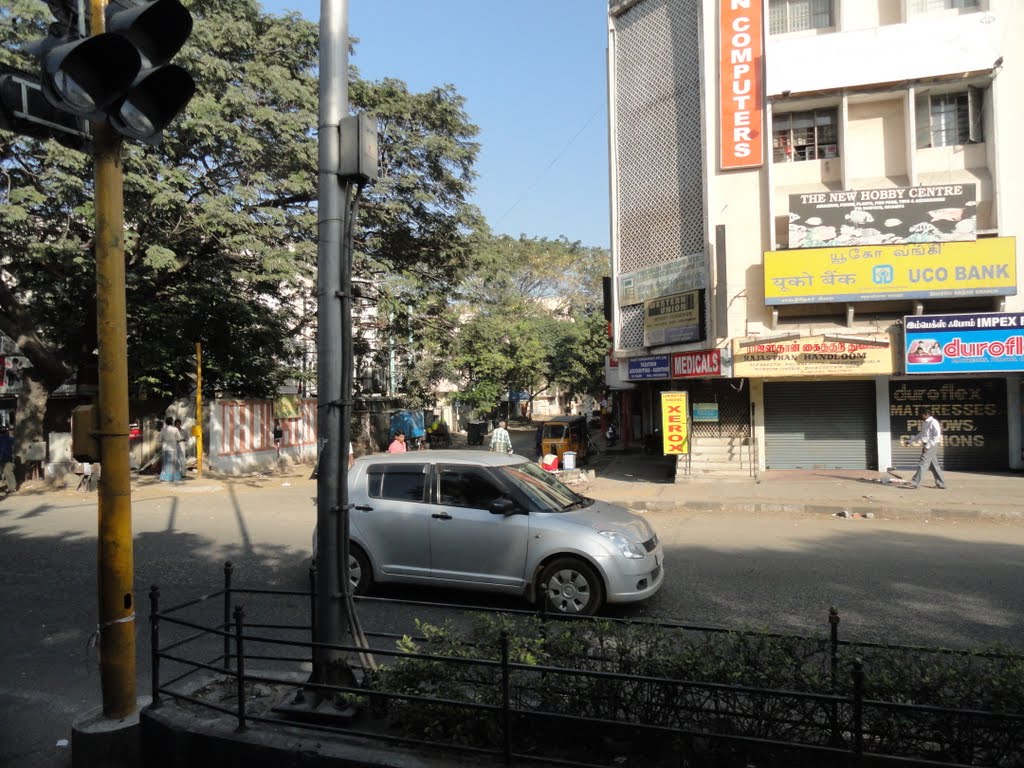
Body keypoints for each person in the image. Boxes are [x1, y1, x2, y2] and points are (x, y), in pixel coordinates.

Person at [907, 407, 946, 489]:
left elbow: (937, 436)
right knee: (934, 465)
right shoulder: (925, 422)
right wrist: (910, 441)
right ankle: (941, 484)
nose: (920, 417)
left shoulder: (933, 422)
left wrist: (927, 446)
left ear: (926, 414)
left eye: (921, 415)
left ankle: (915, 482)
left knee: (923, 463)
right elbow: (922, 434)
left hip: (931, 445)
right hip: (927, 444)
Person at [159, 416, 183, 482]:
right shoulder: (175, 429)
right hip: (173, 448)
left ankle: (164, 477)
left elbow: (160, 439)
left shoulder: (163, 430)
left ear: (166, 422)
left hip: (165, 448)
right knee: (173, 463)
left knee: (165, 463)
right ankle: (174, 477)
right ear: (172, 422)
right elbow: (179, 438)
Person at [0, 425, 15, 494]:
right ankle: (11, 488)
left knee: (7, 474)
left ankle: (11, 488)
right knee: (9, 474)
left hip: (3, 458)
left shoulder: (2, 438)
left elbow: (2, 449)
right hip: (8, 458)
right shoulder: (10, 438)